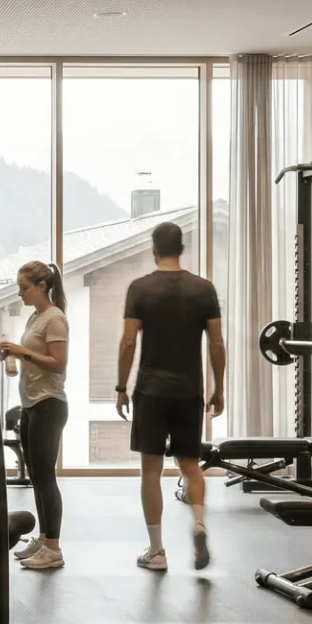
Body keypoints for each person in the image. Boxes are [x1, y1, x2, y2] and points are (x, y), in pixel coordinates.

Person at [116, 222, 224, 572]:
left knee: (151, 470)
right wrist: (219, 388)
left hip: (151, 390)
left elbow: (128, 341)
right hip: (189, 391)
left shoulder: (140, 288)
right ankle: (199, 523)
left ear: (154, 249)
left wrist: (121, 387)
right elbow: (217, 343)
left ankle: (157, 551)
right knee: (190, 465)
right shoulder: (204, 289)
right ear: (181, 249)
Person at [0, 262, 70, 570]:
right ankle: (43, 537)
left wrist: (21, 352)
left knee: (46, 477)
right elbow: (33, 356)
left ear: (42, 286)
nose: (20, 293)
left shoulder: (55, 318)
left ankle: (54, 548)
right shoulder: (35, 317)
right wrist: (13, 354)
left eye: (24, 287)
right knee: (37, 478)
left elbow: (58, 363)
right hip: (31, 404)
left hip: (49, 405)